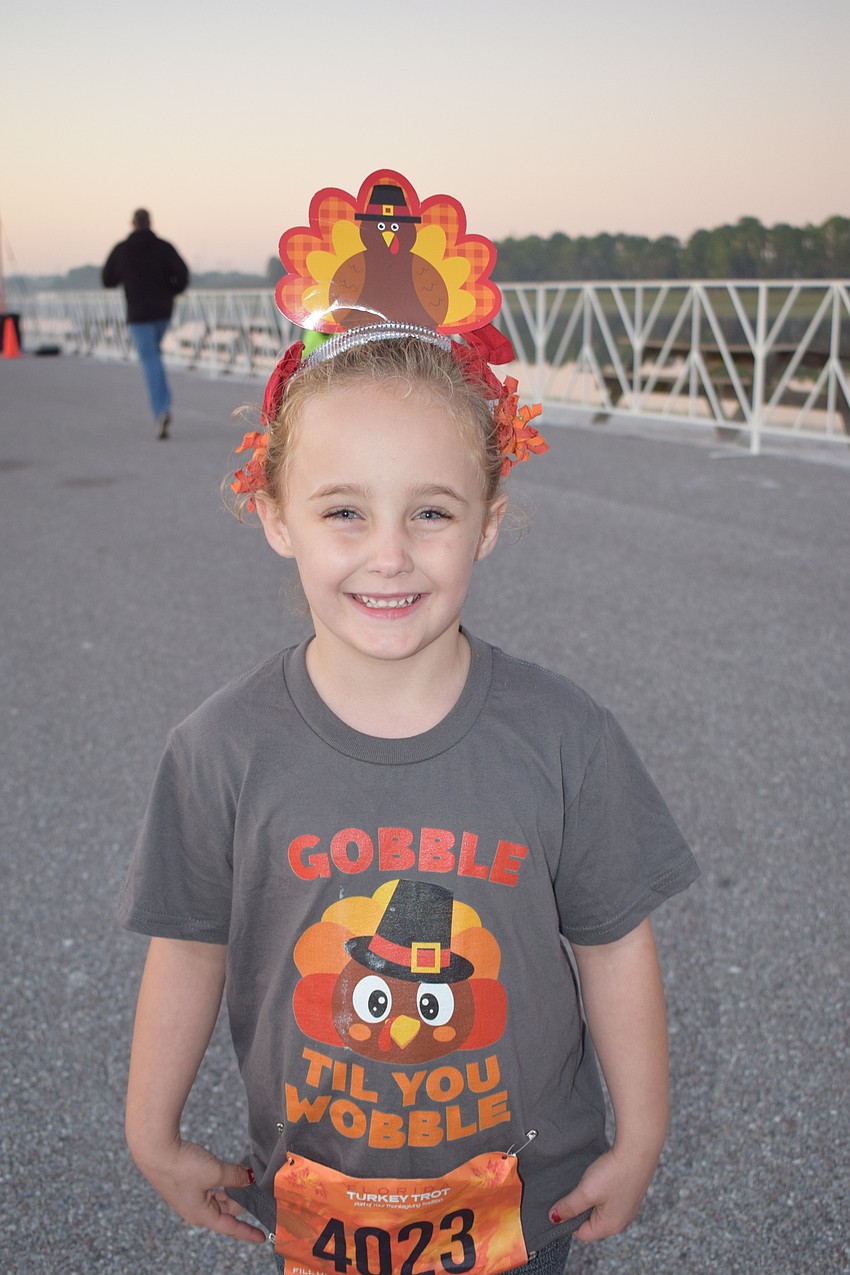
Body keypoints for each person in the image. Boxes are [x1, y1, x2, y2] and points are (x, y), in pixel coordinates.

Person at [118, 170, 699, 1275]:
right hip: (316, 1198)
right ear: (274, 514)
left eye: (430, 512)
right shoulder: (219, 750)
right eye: (345, 512)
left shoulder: (562, 738)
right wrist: (149, 1132)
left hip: (519, 1209)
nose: (389, 555)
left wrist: (643, 1133)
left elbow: (616, 942)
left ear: (487, 522)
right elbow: (189, 947)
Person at [102, 208, 189, 439]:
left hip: (138, 314)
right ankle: (162, 408)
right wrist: (171, 290)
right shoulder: (164, 247)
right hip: (163, 312)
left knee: (150, 359)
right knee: (154, 355)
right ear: (150, 222)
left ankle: (161, 410)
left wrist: (128, 276)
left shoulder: (123, 249)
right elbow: (183, 275)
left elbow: (107, 279)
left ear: (132, 223)